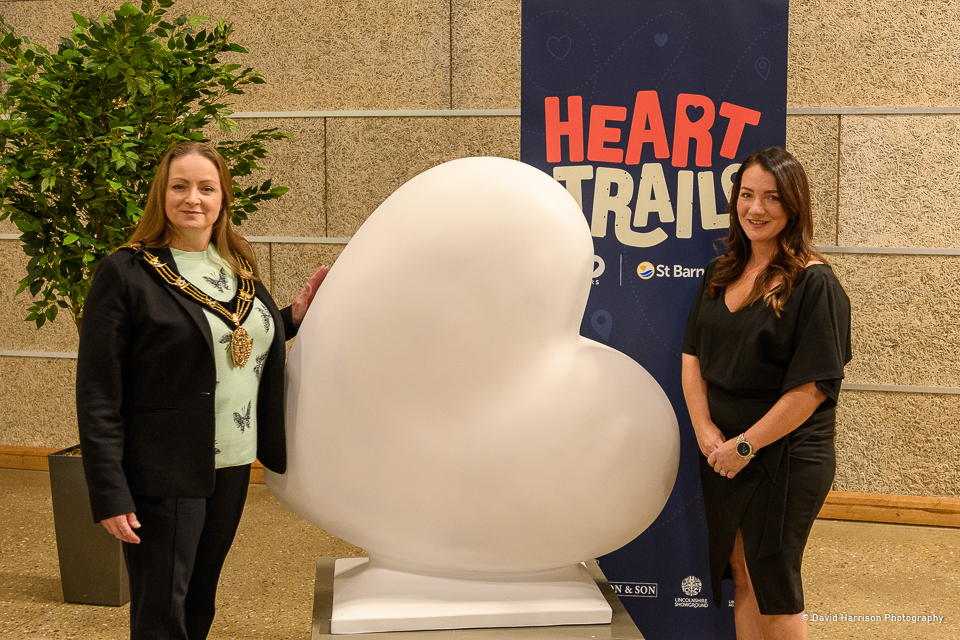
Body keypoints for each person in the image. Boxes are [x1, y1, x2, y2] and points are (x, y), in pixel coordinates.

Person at [77, 141, 328, 639]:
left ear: (222, 199)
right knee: (162, 609)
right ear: (161, 195)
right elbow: (98, 392)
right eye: (180, 186)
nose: (193, 198)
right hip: (163, 468)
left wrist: (290, 318)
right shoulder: (126, 273)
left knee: (198, 600)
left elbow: (230, 341)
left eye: (206, 187)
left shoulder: (235, 264)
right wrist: (109, 490)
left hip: (232, 463)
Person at [681, 147, 851, 640]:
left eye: (772, 198)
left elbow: (812, 389)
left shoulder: (814, 283)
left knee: (772, 578)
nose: (756, 209)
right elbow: (692, 357)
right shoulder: (720, 274)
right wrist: (707, 431)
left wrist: (744, 445)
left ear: (794, 205)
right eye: (747, 195)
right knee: (743, 570)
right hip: (724, 452)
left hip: (785, 455)